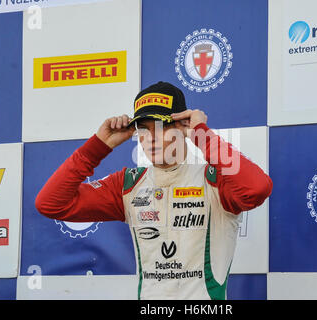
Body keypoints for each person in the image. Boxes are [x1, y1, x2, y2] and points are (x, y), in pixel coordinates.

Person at [35, 81, 273, 300]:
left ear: (184, 127)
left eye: (161, 127)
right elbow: (51, 204)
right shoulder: (128, 184)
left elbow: (257, 188)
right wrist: (97, 146)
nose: (151, 138)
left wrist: (202, 135)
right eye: (143, 129)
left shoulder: (215, 180)